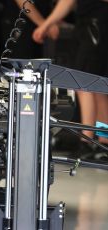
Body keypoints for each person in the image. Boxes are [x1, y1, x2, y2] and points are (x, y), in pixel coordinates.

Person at [32, 0, 108, 155]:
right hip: (95, 23)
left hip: (94, 25)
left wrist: (46, 24)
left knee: (83, 81)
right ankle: (104, 141)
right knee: (98, 87)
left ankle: (87, 141)